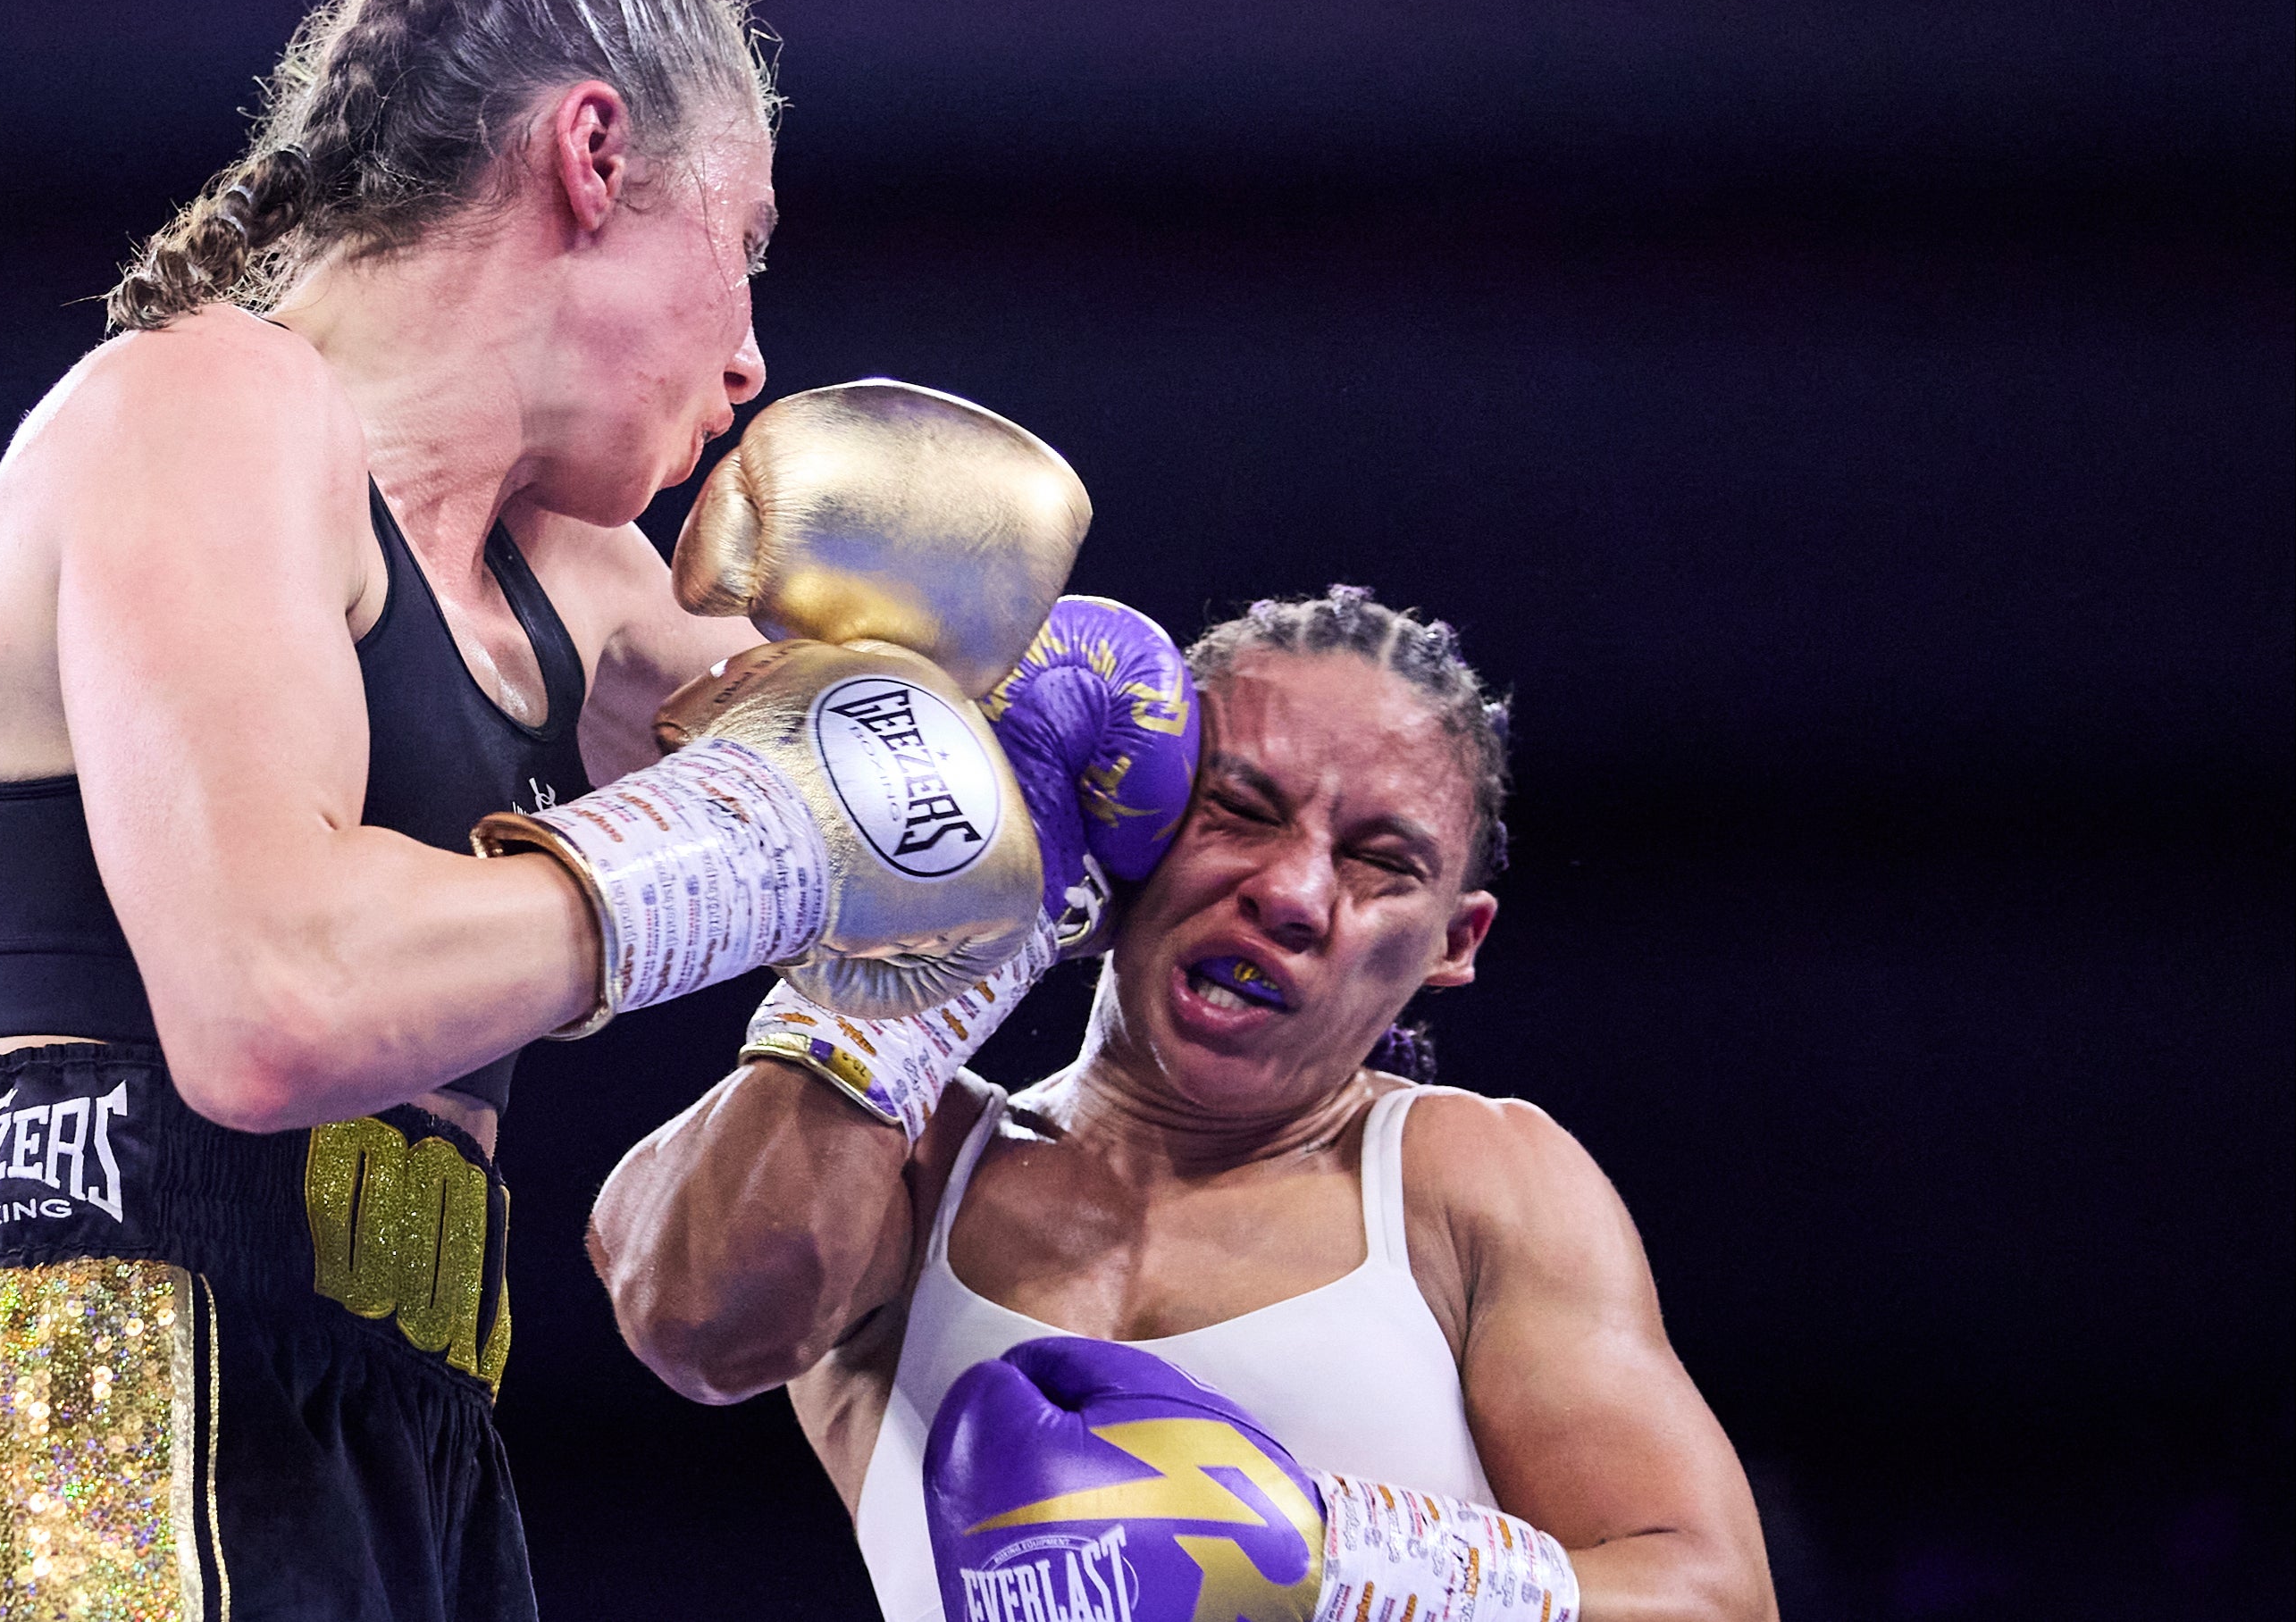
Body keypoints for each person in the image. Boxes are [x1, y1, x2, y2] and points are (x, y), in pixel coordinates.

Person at [0, 0, 1098, 1622]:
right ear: (594, 155)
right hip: (87, 1427)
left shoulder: (579, 586)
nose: (753, 357)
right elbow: (275, 1004)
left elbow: (942, 813)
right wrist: (762, 834)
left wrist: (1088, 715)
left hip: (411, 1456)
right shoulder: (204, 408)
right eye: (745, 245)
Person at [591, 586, 1781, 1621]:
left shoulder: (1468, 1179)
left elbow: (1715, 1597)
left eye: (1381, 859)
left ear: (1452, 944)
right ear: (1135, 817)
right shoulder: (910, 1163)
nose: (1297, 893)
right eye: (1242, 809)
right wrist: (955, 936)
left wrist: (1343, 1568)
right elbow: (694, 1318)